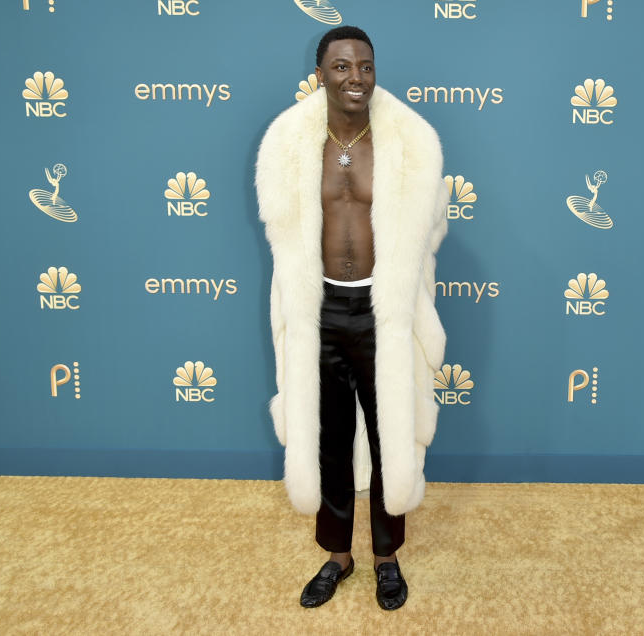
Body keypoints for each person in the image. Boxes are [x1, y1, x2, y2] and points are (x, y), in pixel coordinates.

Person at [255, 26, 448, 611]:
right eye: (341, 67)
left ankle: (387, 557)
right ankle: (337, 554)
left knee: (393, 435)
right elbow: (284, 232)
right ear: (320, 74)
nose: (355, 78)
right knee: (329, 439)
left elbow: (427, 230)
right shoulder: (290, 141)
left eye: (365, 66)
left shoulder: (408, 142)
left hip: (382, 310)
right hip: (317, 308)